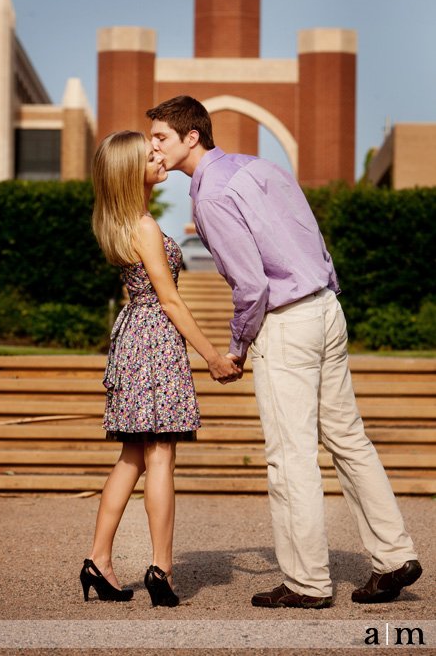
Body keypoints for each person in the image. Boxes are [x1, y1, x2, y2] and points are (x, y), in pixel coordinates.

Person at [146, 95, 423, 609]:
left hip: (287, 322)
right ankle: (393, 557)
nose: (153, 147)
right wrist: (327, 291)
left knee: (291, 457)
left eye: (160, 137)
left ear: (191, 137)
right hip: (324, 308)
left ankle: (308, 583)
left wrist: (235, 347)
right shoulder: (259, 166)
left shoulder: (209, 198)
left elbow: (250, 286)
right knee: (349, 440)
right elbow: (311, 235)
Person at [81, 130, 240, 608]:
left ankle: (98, 561)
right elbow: (169, 299)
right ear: (130, 171)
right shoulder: (145, 226)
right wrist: (212, 355)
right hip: (154, 337)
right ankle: (161, 569)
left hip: (133, 336)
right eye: (148, 155)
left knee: (132, 455)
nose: (158, 157)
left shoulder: (121, 221)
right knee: (160, 456)